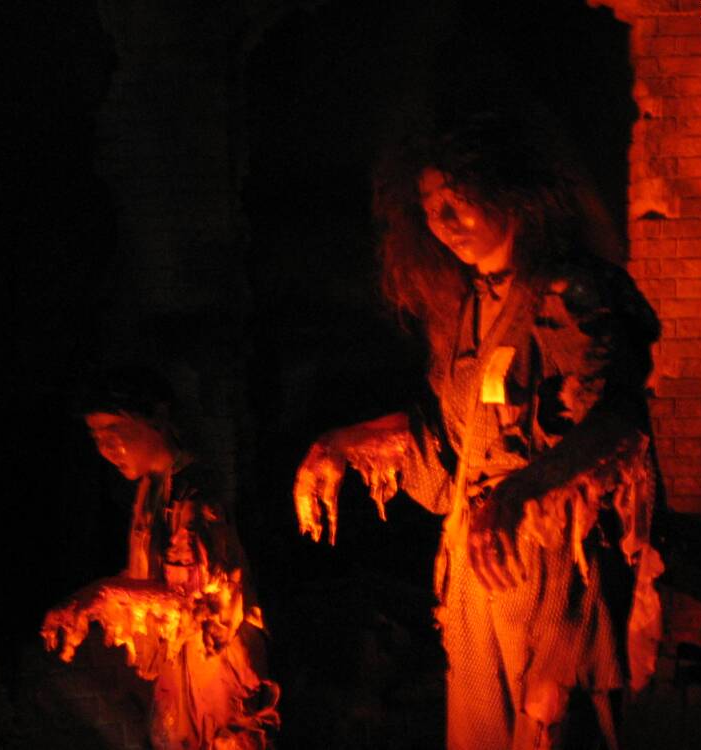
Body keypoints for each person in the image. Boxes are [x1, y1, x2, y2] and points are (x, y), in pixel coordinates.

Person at [293, 114, 664, 750]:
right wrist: (347, 442)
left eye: (457, 200)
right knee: (480, 729)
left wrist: (521, 492)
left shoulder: (569, 290)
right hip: (476, 568)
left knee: (552, 721)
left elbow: (619, 421)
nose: (443, 222)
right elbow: (448, 448)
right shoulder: (466, 310)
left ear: (509, 193)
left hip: (557, 561)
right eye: (430, 208)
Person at [42, 371, 280, 750]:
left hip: (214, 672)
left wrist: (103, 596)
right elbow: (148, 579)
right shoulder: (149, 489)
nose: (106, 447)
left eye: (115, 430)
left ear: (158, 417)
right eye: (96, 436)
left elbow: (192, 604)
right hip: (177, 673)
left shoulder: (194, 496)